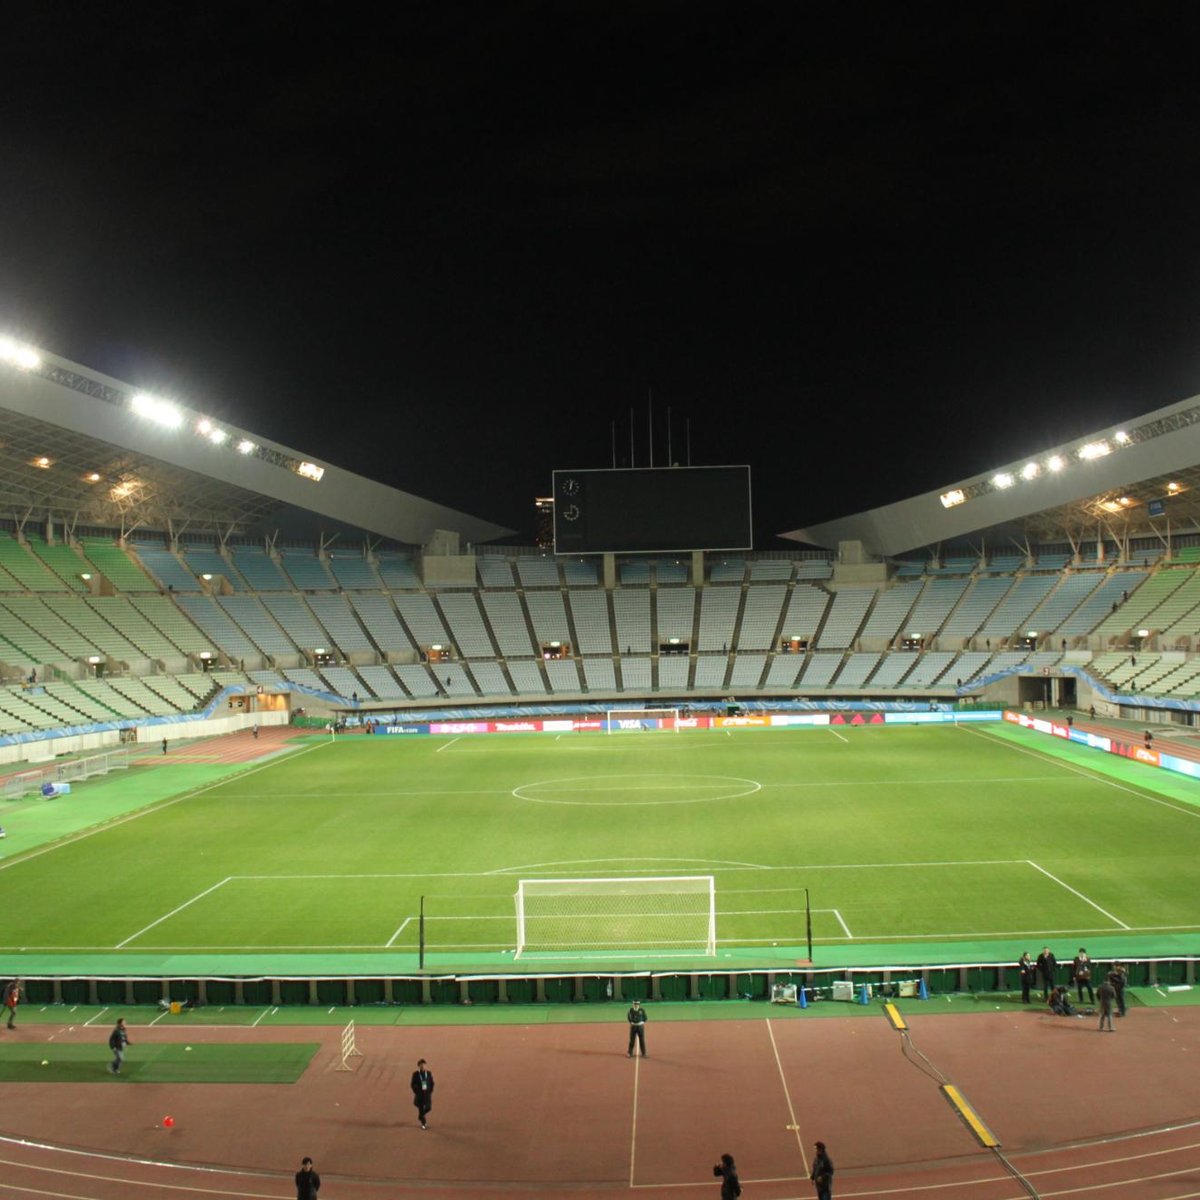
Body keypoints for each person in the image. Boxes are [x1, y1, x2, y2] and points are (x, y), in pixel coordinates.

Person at [411, 1057, 434, 1129]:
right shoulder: (416, 1074)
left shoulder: (429, 1073)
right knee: (421, 1108)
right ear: (419, 1066)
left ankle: (421, 1116)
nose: (422, 1066)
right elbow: (412, 1084)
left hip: (427, 1094)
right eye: (421, 1065)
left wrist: (430, 1091)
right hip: (420, 1095)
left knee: (428, 1107)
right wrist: (416, 1092)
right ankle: (424, 1124)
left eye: (423, 1064)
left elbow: (432, 1083)